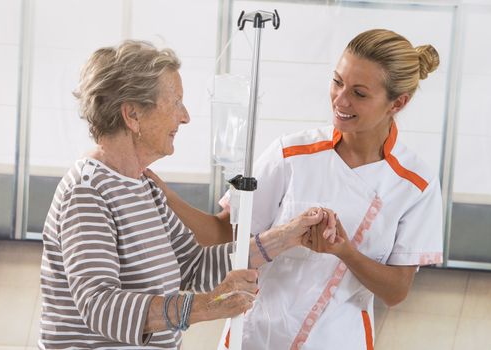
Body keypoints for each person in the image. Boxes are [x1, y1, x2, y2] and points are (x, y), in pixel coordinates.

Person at [151, 29, 444, 349]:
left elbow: (396, 292)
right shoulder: (290, 153)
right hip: (256, 335)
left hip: (337, 339)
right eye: (337, 82)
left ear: (397, 103)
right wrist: (162, 192)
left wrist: (344, 251)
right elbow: (223, 232)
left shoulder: (415, 184)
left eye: (359, 93)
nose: (340, 100)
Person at [38, 40, 330, 349]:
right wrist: (209, 306)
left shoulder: (143, 187)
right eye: (176, 102)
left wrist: (287, 236)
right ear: (133, 114)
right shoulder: (88, 192)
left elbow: (194, 265)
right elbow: (101, 306)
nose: (185, 116)